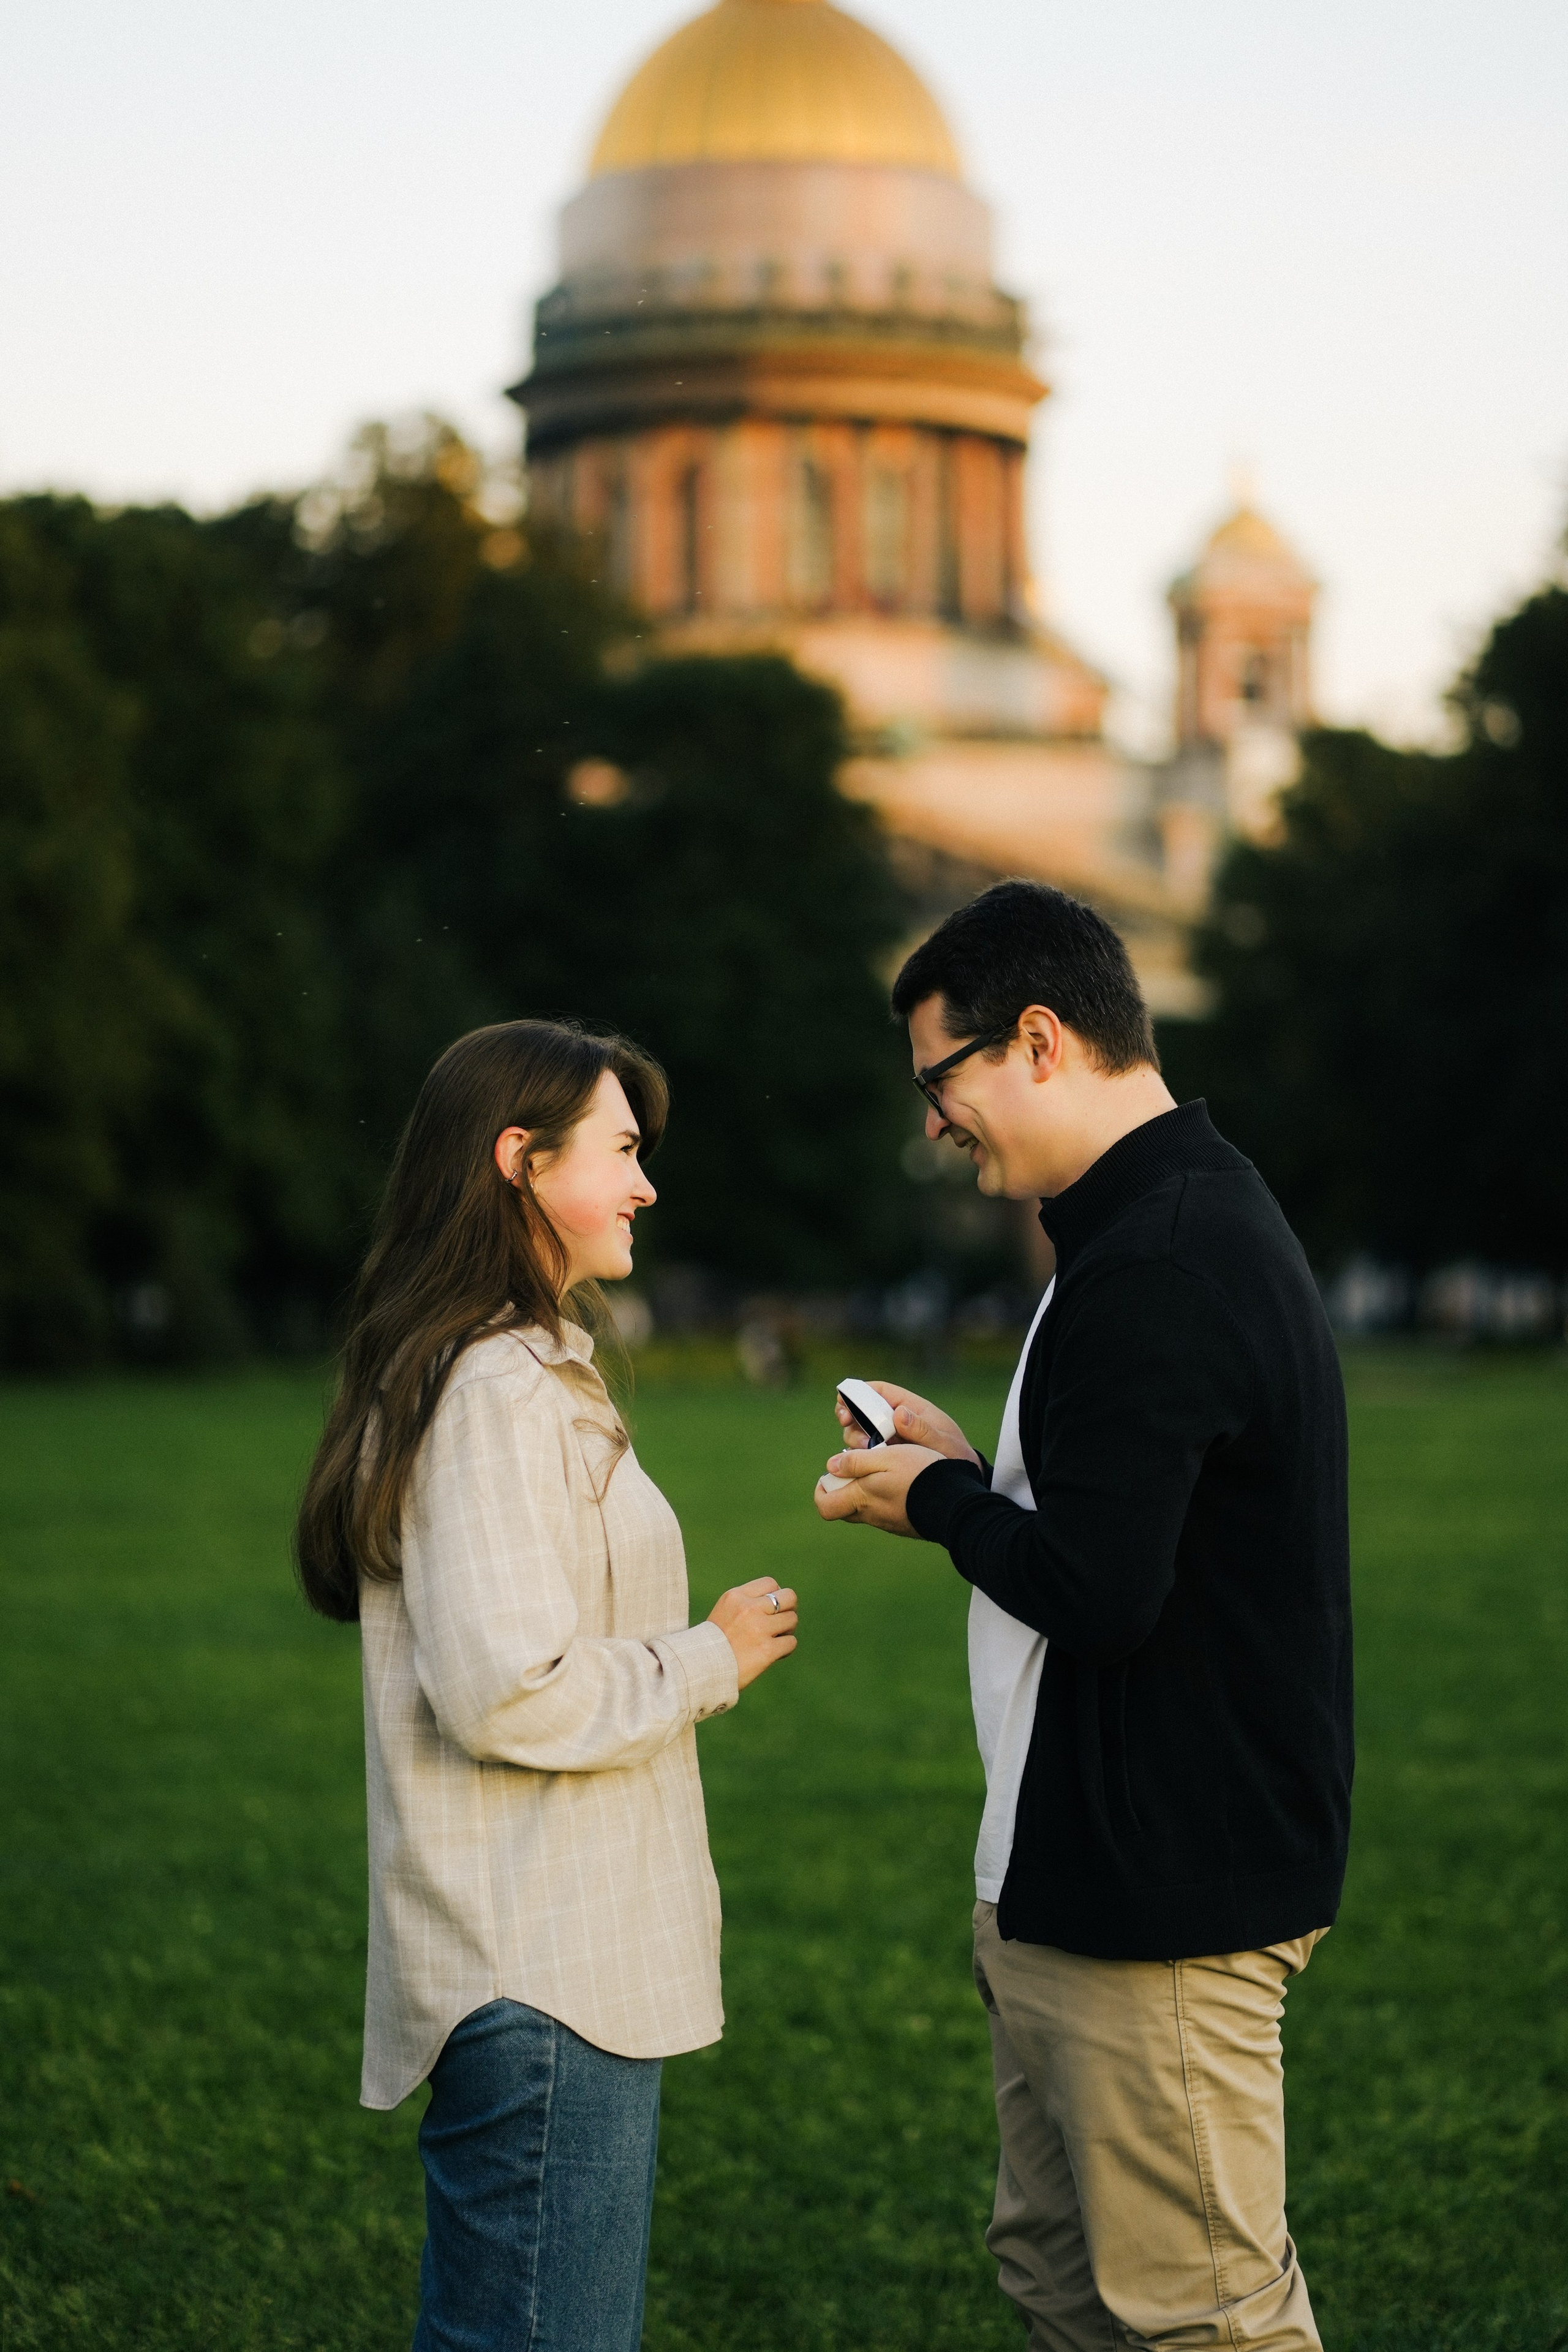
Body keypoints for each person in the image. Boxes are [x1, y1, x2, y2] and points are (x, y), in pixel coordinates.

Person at [815, 881, 1352, 2352]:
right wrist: (977, 1475)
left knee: (1202, 2324)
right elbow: (1126, 1522)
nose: (933, 1124)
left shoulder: (1160, 1253)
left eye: (942, 1081)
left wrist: (933, 1501)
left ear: (1038, 1041)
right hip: (1079, 1878)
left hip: (1157, 1905)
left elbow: (1105, 1595)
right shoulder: (1136, 1224)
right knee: (1067, 2293)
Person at [296, 1019, 797, 2352]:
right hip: (541, 1975)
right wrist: (709, 1656)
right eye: (622, 1151)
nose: (644, 1184)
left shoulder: (520, 1370)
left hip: (562, 1965)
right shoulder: (496, 1391)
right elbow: (506, 1691)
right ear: (520, 1159)